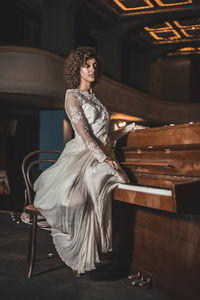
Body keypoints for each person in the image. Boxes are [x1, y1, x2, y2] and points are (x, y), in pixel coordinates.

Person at [34, 46, 143, 277]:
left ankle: (110, 249)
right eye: (87, 65)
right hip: (82, 153)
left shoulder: (96, 99)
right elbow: (84, 133)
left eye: (95, 65)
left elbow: (104, 135)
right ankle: (75, 240)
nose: (92, 69)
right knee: (84, 192)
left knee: (107, 183)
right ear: (78, 69)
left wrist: (129, 130)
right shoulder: (72, 95)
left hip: (99, 151)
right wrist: (104, 157)